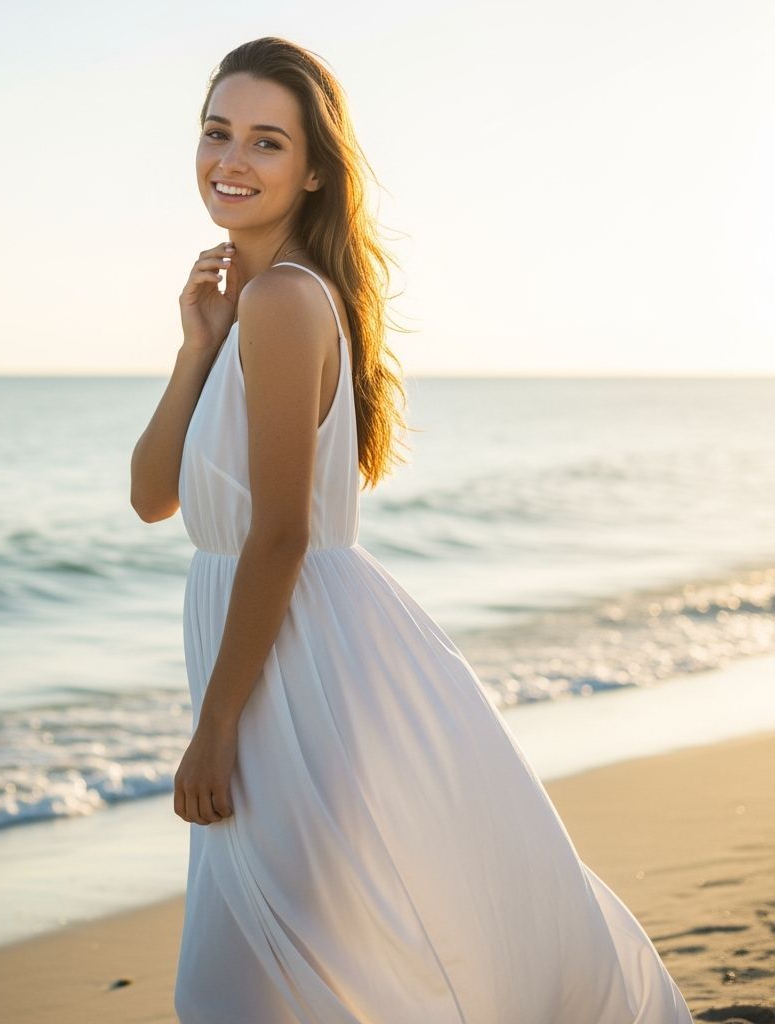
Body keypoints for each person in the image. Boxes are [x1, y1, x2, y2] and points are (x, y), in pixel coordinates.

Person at [130, 35, 694, 1024]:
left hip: (291, 662)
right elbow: (149, 496)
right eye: (218, 131)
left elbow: (280, 537)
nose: (231, 158)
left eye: (267, 141)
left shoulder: (285, 300)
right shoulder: (246, 311)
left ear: (311, 172)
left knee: (253, 977)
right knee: (291, 959)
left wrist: (214, 729)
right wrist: (194, 351)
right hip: (278, 647)